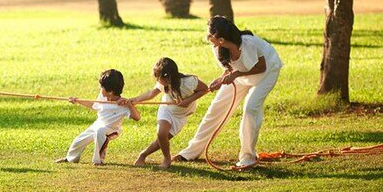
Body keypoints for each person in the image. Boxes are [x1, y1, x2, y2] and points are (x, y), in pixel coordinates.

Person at [173, 16, 283, 169]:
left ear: (222, 39)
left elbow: (261, 68)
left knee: (250, 109)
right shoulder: (218, 48)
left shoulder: (248, 43)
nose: (208, 38)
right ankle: (191, 152)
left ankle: (248, 158)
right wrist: (220, 80)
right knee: (216, 108)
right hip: (241, 75)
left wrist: (236, 75)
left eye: (211, 35)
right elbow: (229, 68)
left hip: (266, 73)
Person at [121, 57, 207, 169]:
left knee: (163, 139)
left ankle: (143, 154)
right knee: (161, 133)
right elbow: (151, 93)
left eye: (158, 77)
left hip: (181, 115)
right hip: (167, 109)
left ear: (167, 77)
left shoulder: (189, 81)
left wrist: (187, 101)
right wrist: (135, 100)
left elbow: (204, 89)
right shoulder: (163, 83)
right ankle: (167, 159)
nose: (157, 80)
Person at [56, 69, 140, 166]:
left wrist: (129, 105)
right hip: (98, 124)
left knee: (100, 132)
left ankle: (98, 161)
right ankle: (70, 159)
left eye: (102, 87)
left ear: (111, 92)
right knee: (79, 140)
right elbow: (93, 106)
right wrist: (77, 101)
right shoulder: (102, 96)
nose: (100, 88)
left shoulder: (123, 105)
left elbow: (137, 117)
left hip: (112, 129)